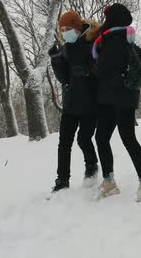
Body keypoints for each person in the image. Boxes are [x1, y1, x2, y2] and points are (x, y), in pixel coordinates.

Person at [91, 3, 141, 200]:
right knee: (127, 138)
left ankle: (113, 182)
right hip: (126, 96)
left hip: (112, 97)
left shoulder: (111, 40)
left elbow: (103, 70)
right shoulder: (126, 39)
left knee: (104, 138)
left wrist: (91, 67)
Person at [48, 10, 100, 192]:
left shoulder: (92, 42)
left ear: (78, 28)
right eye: (62, 29)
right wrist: (56, 60)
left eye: (68, 28)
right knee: (64, 143)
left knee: (83, 138)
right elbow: (64, 78)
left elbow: (101, 70)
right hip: (70, 103)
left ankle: (92, 166)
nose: (64, 32)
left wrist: (88, 72)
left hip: (91, 103)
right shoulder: (66, 47)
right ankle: (62, 180)